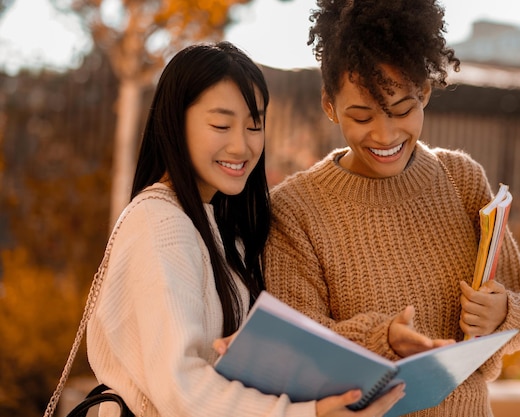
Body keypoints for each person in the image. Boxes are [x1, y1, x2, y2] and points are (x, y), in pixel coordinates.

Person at [86, 41, 405, 417]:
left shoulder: (218, 227)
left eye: (254, 125)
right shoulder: (160, 223)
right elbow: (182, 389)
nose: (241, 145)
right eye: (221, 124)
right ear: (174, 122)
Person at [263, 1, 520, 416]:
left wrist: (502, 312)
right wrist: (384, 341)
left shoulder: (461, 179)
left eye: (403, 110)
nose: (385, 134)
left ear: (426, 93)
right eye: (362, 116)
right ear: (329, 104)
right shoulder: (295, 210)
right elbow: (296, 349)